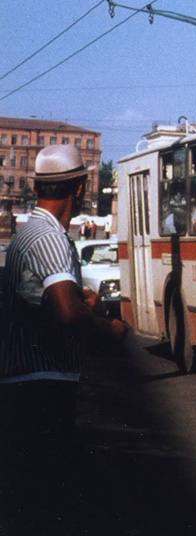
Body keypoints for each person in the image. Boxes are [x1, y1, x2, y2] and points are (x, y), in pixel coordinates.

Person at [0, 145, 128, 472]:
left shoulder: (27, 233)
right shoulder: (52, 238)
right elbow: (68, 314)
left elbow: (40, 301)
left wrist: (78, 300)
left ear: (36, 186)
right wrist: (108, 329)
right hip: (44, 384)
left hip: (23, 381)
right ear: (81, 189)